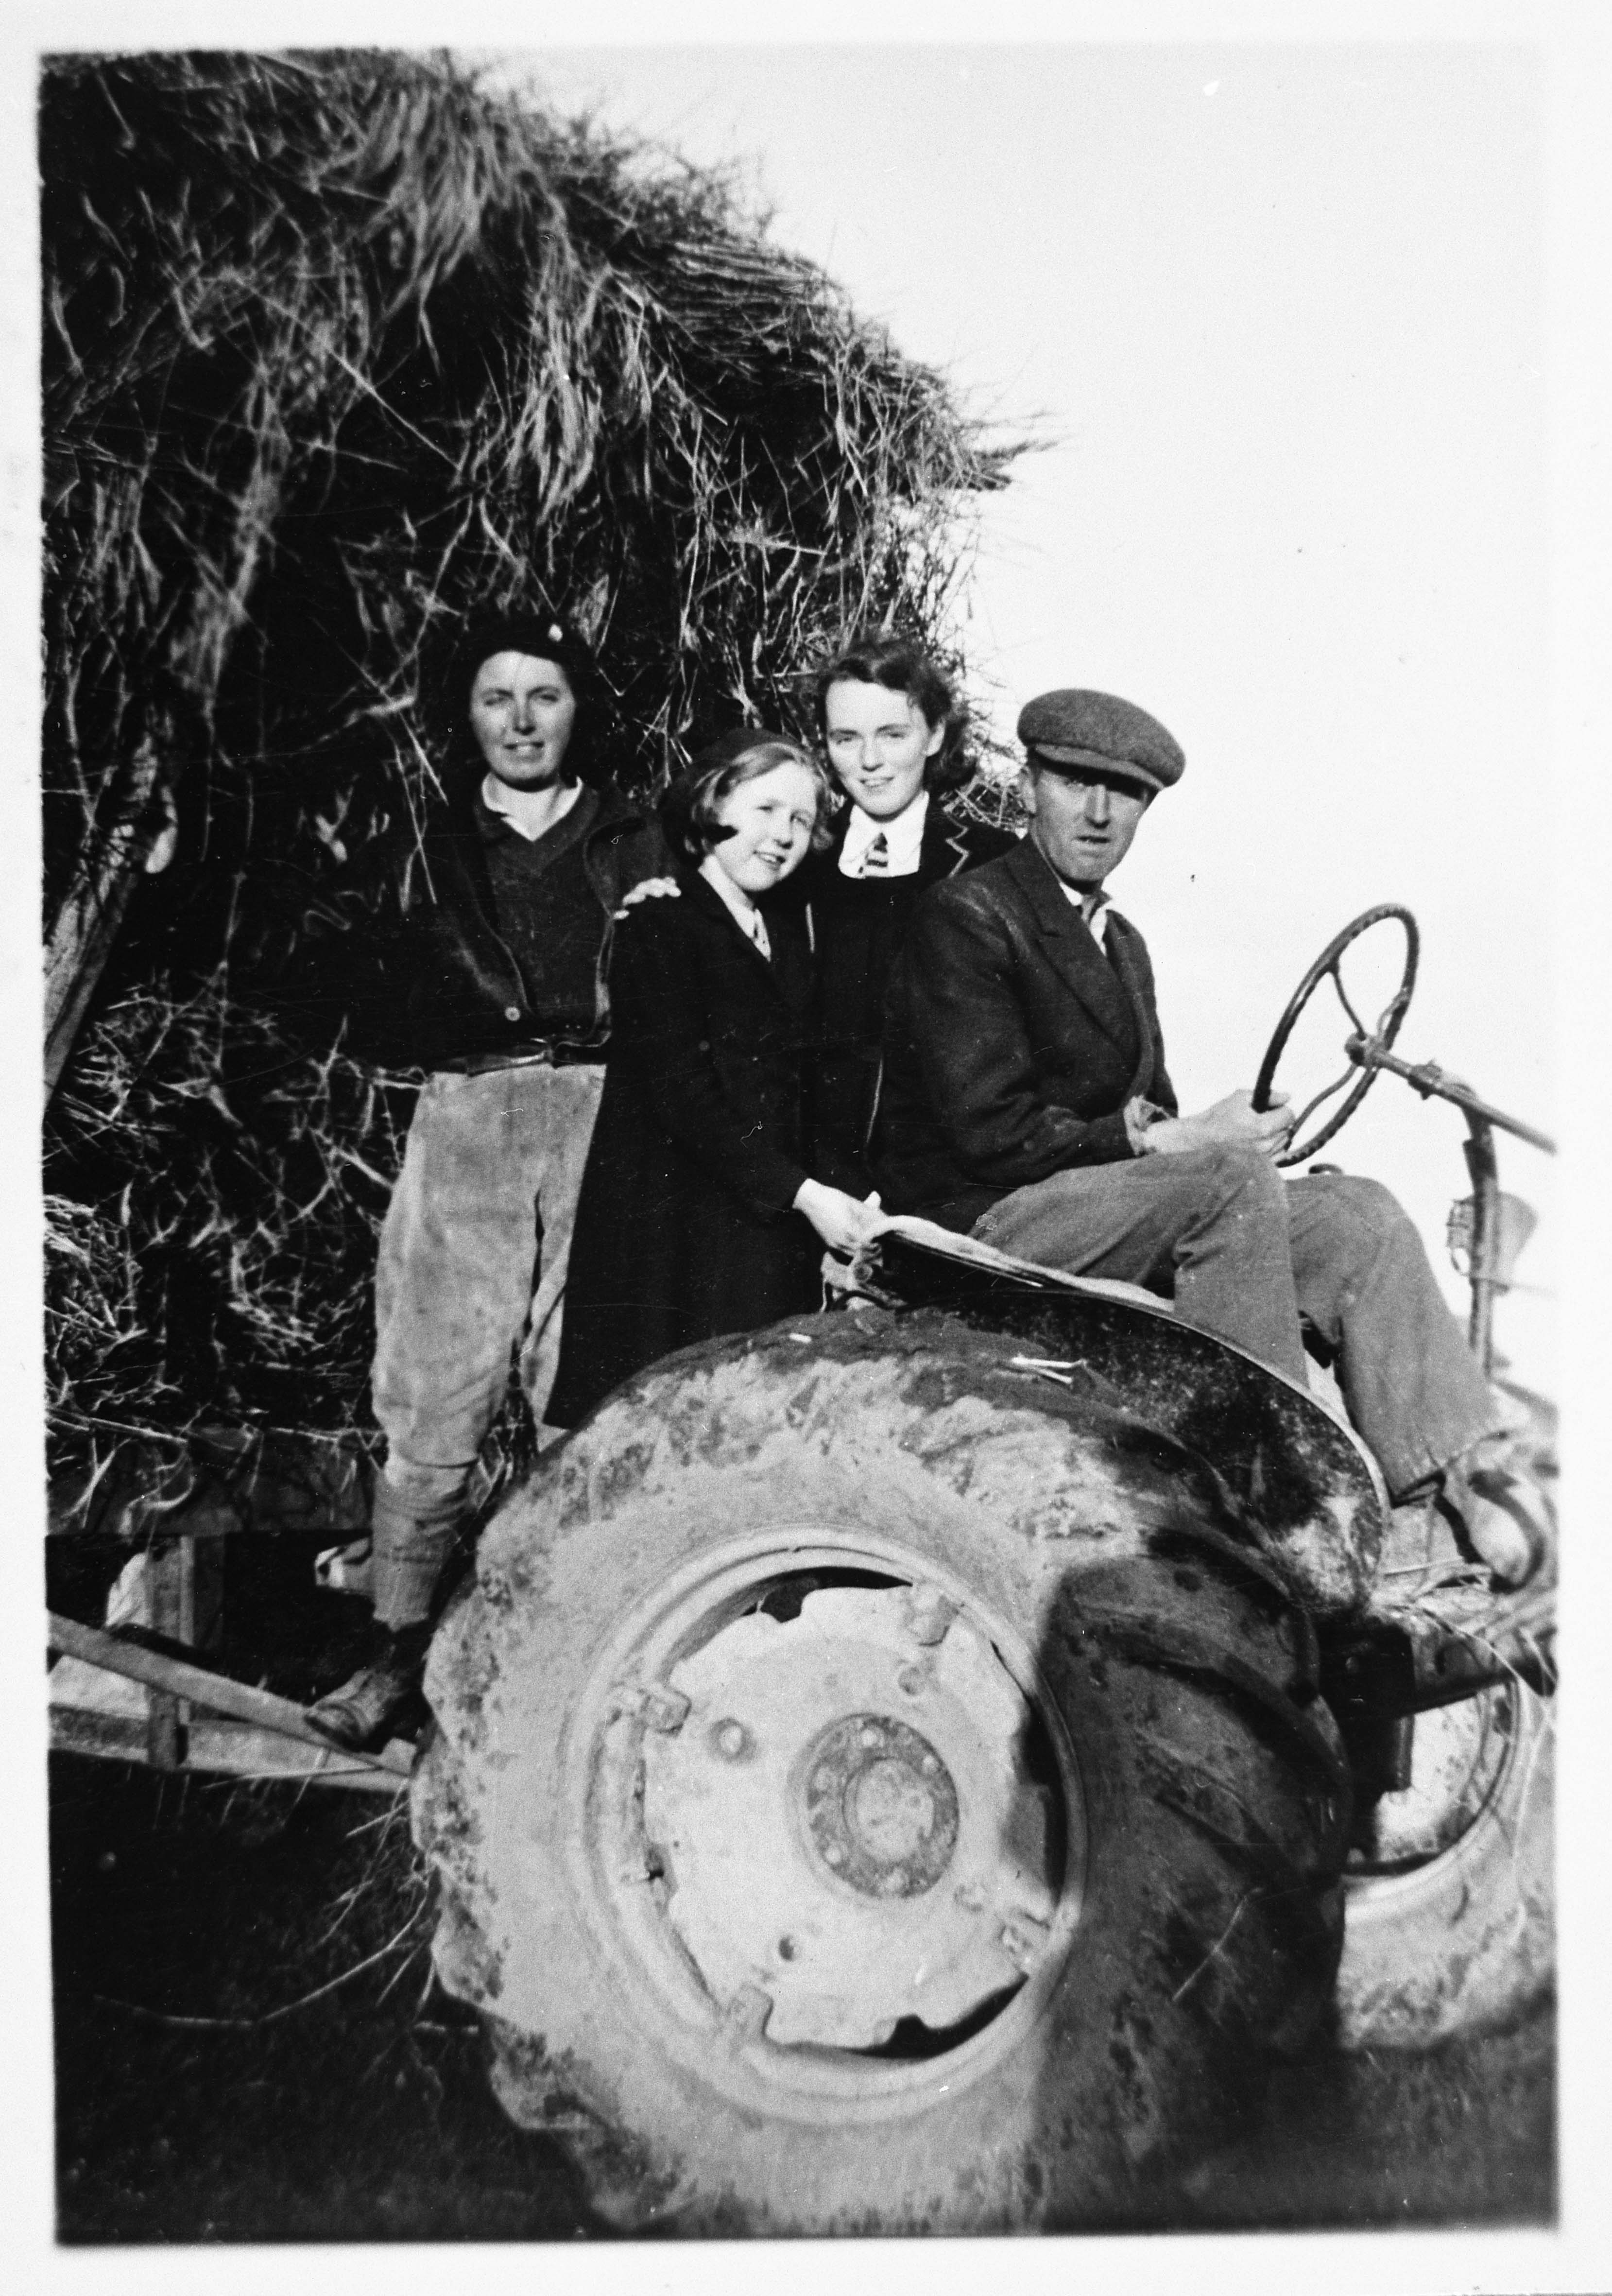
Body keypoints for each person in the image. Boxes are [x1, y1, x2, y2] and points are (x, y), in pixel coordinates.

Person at [874, 686, 1549, 1586]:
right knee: (1226, 1184)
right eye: (1074, 783)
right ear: (1029, 784)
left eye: (1126, 794)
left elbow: (1153, 1116)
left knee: (1356, 1212)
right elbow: (989, 1132)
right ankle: (1278, 1499)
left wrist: (1226, 1139)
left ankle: (1453, 1475)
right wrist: (1182, 1144)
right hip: (989, 1220)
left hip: (1091, 1205)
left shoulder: (1121, 943)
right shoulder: (969, 915)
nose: (1098, 812)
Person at [308, 608, 675, 1749]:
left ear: (578, 710)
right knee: (437, 1379)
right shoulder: (425, 842)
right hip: (470, 1112)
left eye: (545, 696)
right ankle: (397, 1651)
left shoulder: (639, 835)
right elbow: (348, 972)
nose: (522, 722)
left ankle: (558, 1655)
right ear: (466, 717)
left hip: (606, 1116)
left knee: (584, 1386)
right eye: (496, 699)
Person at [547, 728, 885, 1429]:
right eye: (765, 810)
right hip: (673, 1234)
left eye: (801, 820)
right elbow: (682, 1095)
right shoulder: (659, 923)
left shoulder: (785, 931)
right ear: (711, 805)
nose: (783, 835)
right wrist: (804, 1194)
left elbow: (799, 1089)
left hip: (753, 1226)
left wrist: (845, 1194)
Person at [792, 631, 1014, 1192]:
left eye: (892, 735)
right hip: (812, 1178)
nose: (870, 762)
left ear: (935, 734)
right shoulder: (792, 862)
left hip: (945, 1183)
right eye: (846, 739)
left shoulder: (993, 863)